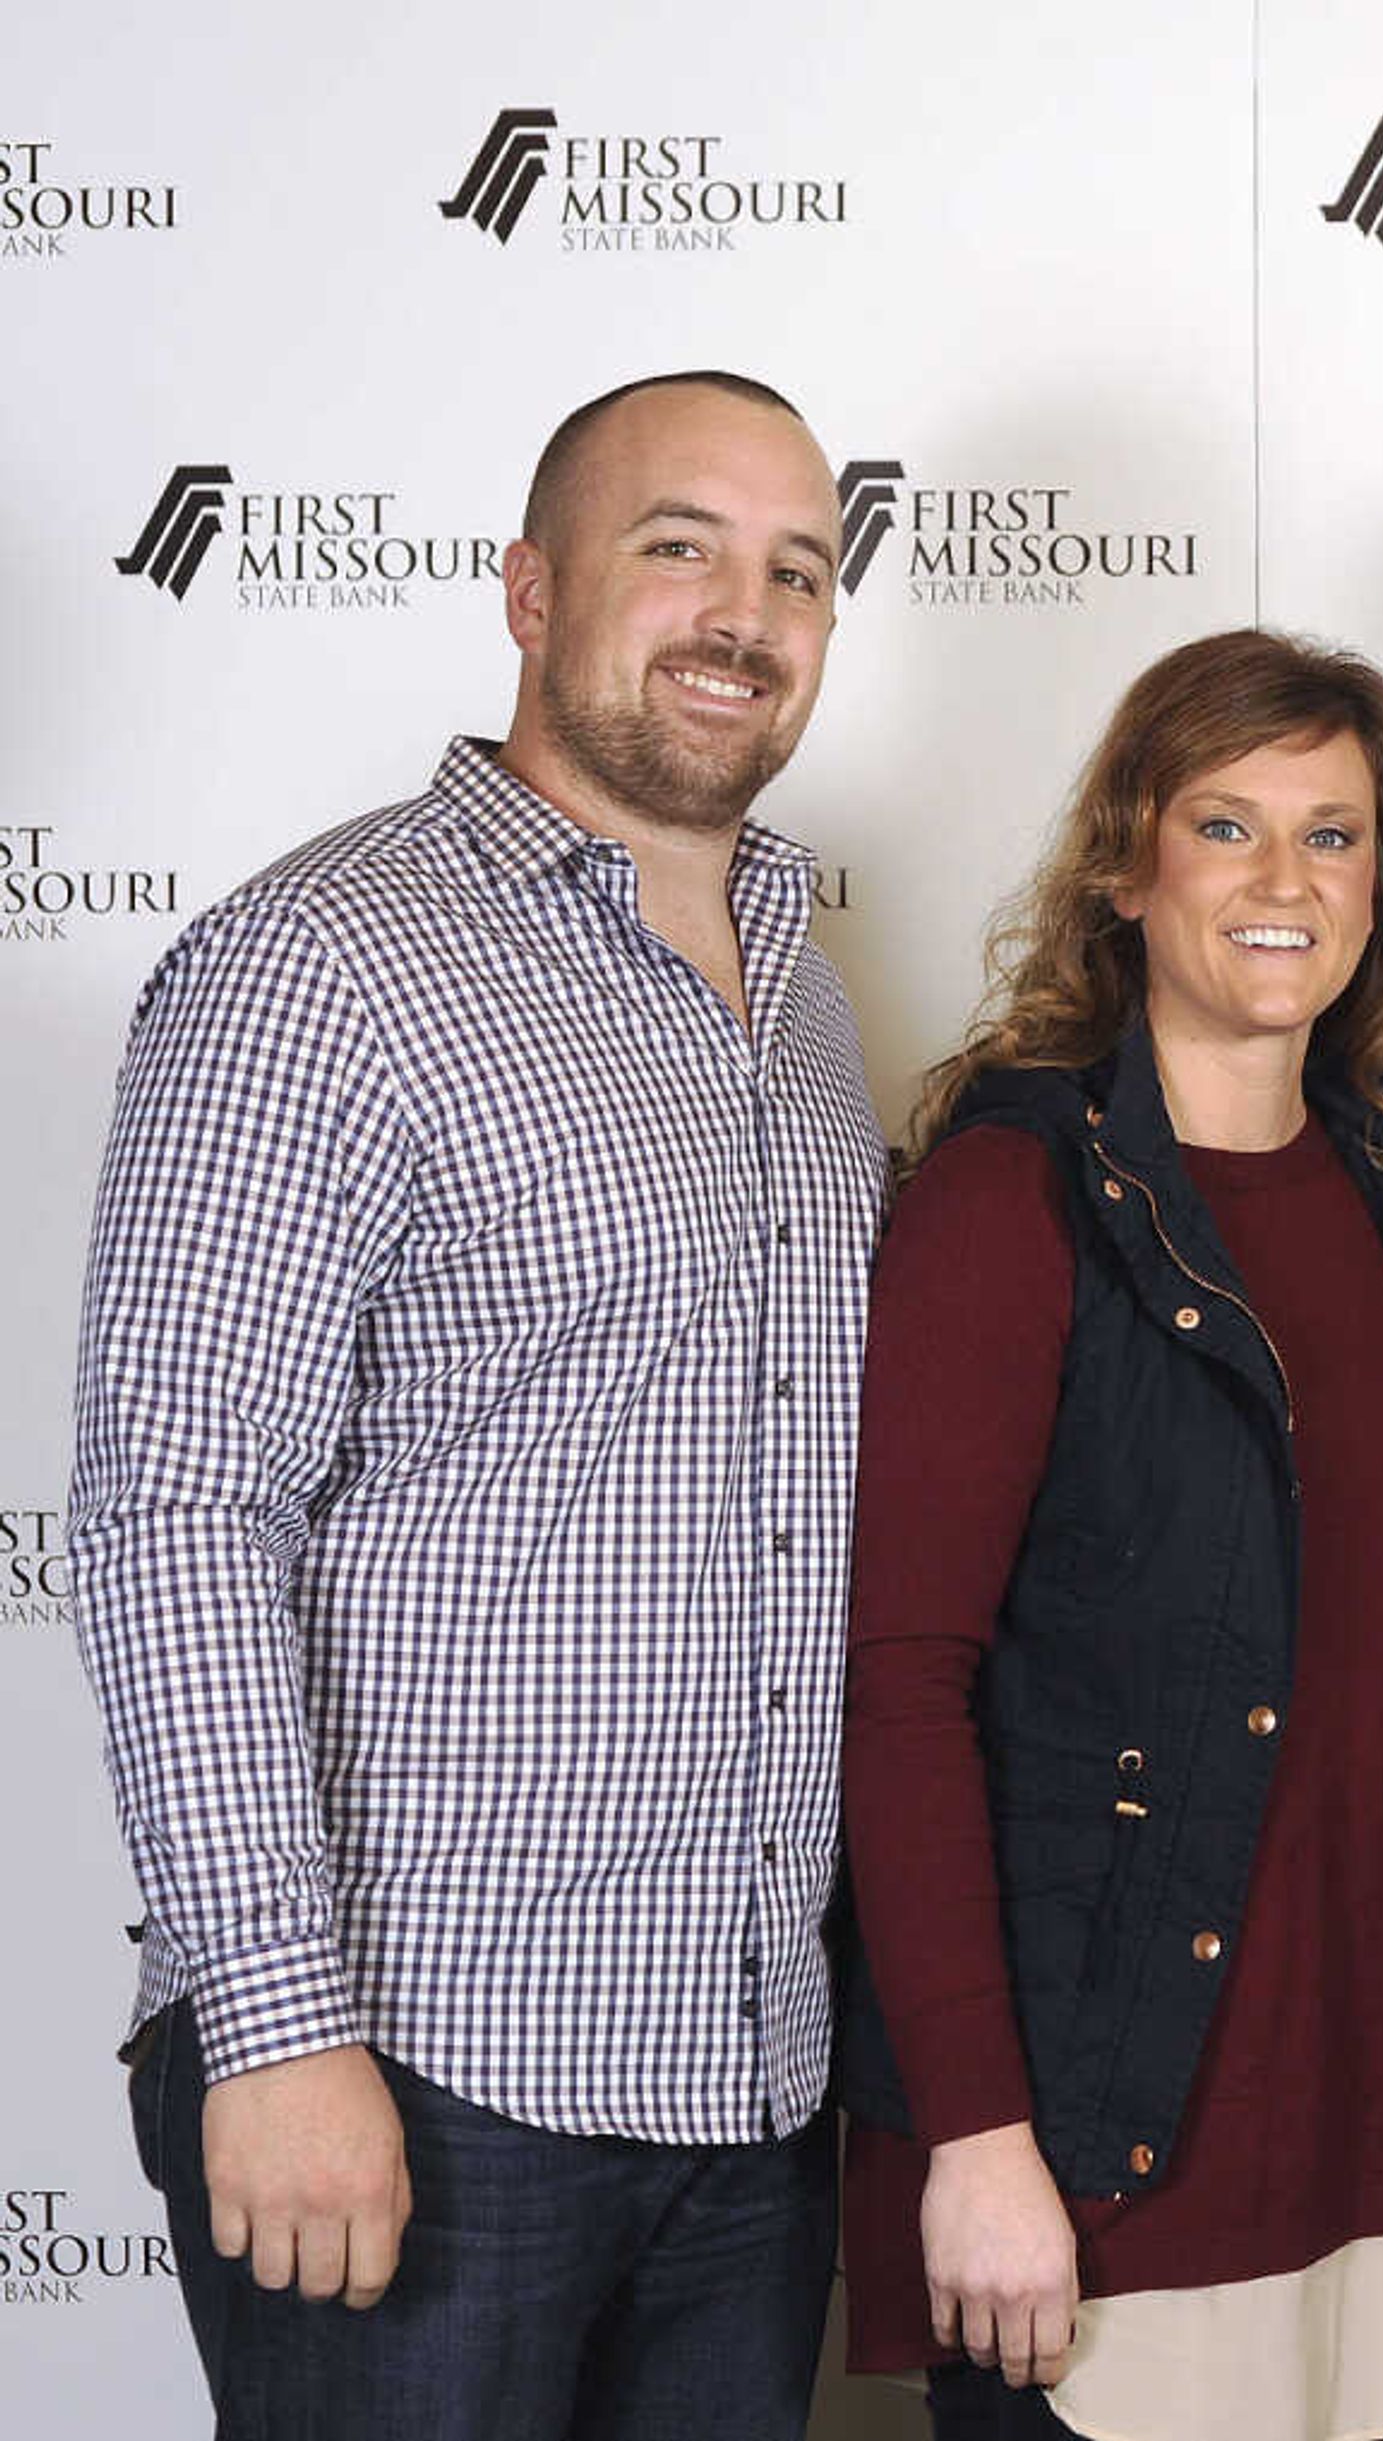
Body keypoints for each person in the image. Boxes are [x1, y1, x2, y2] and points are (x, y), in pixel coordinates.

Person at [70, 369, 875, 2439]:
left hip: (751, 2081)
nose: (743, 613)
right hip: (424, 2076)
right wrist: (274, 2032)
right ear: (530, 588)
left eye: (796, 568)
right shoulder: (321, 961)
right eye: (676, 546)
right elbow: (175, 1511)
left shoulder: (801, 974)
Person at [833, 629, 1383, 2440]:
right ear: (1128, 868)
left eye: (1334, 833)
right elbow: (900, 1691)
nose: (1285, 881)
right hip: (1106, 2141)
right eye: (1227, 826)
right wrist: (976, 2135)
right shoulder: (1012, 1199)